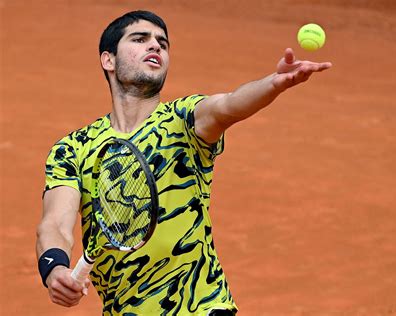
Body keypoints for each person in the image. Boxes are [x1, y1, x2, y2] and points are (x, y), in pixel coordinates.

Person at [36, 10, 332, 315]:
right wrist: (54, 268)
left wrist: (273, 83)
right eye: (140, 39)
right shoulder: (73, 149)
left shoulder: (183, 120)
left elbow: (228, 105)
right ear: (108, 60)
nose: (155, 46)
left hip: (203, 307)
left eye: (162, 44)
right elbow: (55, 222)